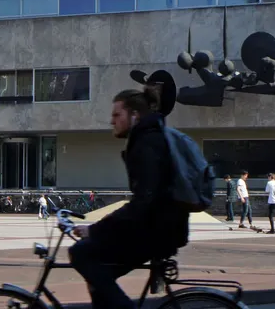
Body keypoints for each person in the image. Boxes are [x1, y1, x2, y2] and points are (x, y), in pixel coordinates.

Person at [68, 88, 189, 309]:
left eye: (117, 115)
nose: (112, 121)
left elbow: (144, 202)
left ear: (134, 116)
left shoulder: (146, 144)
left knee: (81, 253)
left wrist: (95, 230)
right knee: (99, 277)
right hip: (162, 228)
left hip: (158, 232)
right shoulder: (148, 138)